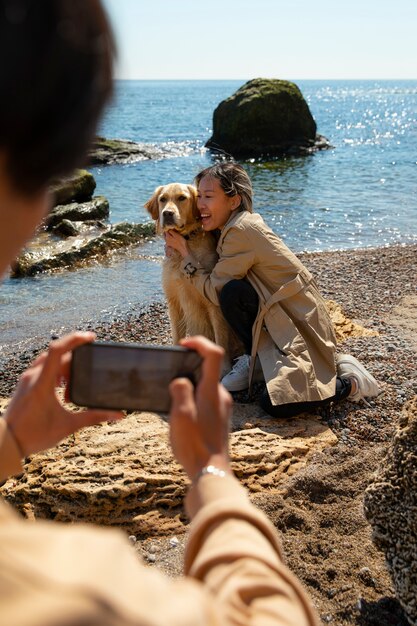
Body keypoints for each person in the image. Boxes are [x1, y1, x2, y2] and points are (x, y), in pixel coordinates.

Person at [0, 1, 320, 624]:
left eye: (197, 198)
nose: (186, 207)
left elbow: (221, 290)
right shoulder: (83, 592)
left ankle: (242, 368)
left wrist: (11, 442)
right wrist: (210, 471)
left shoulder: (236, 234)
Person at [165, 162, 381, 418]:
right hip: (276, 314)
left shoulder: (240, 231)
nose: (200, 204)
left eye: (209, 197)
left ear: (233, 201)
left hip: (297, 323)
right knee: (234, 292)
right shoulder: (228, 227)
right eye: (199, 196)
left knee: (276, 402)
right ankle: (253, 359)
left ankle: (352, 382)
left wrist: (186, 254)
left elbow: (213, 292)